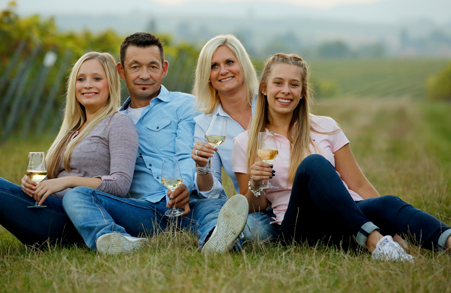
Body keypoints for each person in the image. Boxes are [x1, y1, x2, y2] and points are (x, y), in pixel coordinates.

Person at [232, 53, 451, 261]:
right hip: (299, 227)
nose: (286, 90)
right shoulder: (247, 141)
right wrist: (256, 184)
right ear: (264, 88)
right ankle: (375, 242)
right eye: (278, 83)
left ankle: (447, 240)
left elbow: (358, 184)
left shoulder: (326, 127)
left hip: (345, 216)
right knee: (313, 164)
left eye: (294, 84)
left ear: (302, 91)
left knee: (388, 204)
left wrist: (391, 228)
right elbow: (253, 206)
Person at [62, 32, 248, 255]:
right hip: (144, 210)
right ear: (121, 71)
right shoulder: (112, 121)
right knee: (78, 195)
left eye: (152, 66)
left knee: (213, 208)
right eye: (135, 67)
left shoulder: (185, 105)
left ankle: (217, 240)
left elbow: (186, 153)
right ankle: (115, 240)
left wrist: (184, 187)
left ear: (164, 69)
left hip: (191, 204)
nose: (144, 75)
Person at [0, 52, 139, 246]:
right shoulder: (74, 128)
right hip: (48, 207)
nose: (87, 85)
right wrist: (32, 184)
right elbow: (53, 177)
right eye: (80, 79)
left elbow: (120, 185)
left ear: (111, 83)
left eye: (97, 79)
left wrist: (67, 182)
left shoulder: (118, 123)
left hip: (72, 219)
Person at [190, 34, 274, 242]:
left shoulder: (270, 103)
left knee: (246, 230)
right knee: (250, 229)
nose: (223, 71)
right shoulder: (205, 124)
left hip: (290, 197)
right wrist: (202, 168)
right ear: (206, 75)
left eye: (229, 62)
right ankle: (218, 238)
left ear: (243, 65)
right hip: (255, 206)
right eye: (214, 66)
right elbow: (212, 193)